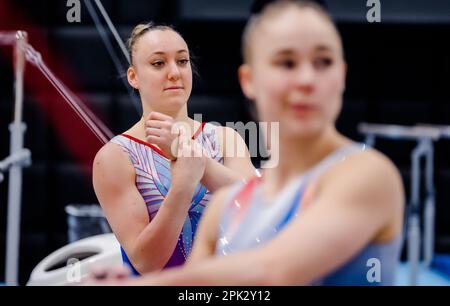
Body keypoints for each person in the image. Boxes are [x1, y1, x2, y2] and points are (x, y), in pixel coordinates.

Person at [90, 0, 404, 285]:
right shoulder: (226, 208)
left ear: (343, 73)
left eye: (323, 61)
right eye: (287, 63)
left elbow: (275, 271)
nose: (307, 80)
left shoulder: (367, 174)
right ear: (249, 80)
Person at [92, 22, 256, 275]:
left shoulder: (225, 138)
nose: (174, 73)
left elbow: (257, 212)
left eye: (182, 61)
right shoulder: (116, 157)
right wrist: (182, 185)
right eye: (158, 63)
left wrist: (188, 153)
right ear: (133, 77)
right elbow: (146, 262)